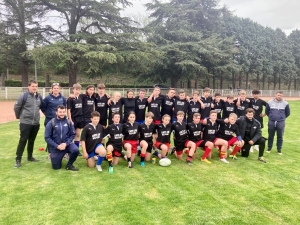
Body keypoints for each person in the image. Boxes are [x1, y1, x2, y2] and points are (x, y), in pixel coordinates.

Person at [14, 80, 43, 168]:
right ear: (29, 86)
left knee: (31, 141)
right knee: (23, 140)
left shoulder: (39, 97)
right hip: (25, 123)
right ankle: (18, 160)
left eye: (36, 86)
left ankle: (30, 157)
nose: (34, 88)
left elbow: (41, 107)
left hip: (35, 123)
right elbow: (16, 107)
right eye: (33, 86)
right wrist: (20, 117)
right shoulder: (24, 96)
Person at [44, 105, 79, 171]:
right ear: (56, 112)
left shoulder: (68, 122)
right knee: (56, 167)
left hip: (66, 145)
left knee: (75, 150)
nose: (62, 114)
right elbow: (47, 137)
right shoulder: (51, 123)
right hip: (56, 147)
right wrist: (57, 146)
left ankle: (69, 165)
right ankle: (58, 157)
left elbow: (73, 134)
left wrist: (66, 144)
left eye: (63, 112)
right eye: (60, 112)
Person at [67, 83, 84, 149]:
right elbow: (68, 110)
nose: (77, 91)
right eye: (76, 89)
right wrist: (70, 120)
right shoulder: (70, 99)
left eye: (79, 90)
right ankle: (69, 149)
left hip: (80, 118)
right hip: (73, 118)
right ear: (73, 90)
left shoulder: (81, 97)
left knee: (78, 134)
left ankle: (76, 149)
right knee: (71, 134)